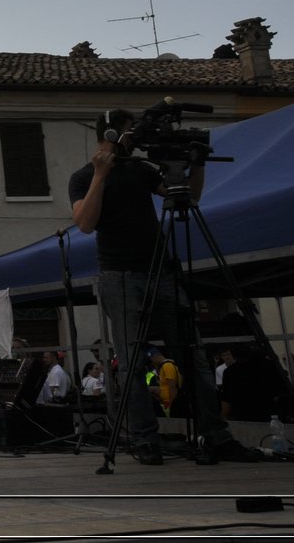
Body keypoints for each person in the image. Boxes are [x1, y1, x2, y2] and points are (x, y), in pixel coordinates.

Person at [69, 108, 255, 464]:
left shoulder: (140, 171)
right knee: (133, 363)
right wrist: (100, 174)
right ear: (109, 135)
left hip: (162, 272)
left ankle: (216, 435)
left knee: (194, 357)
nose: (134, 141)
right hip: (119, 275)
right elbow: (85, 223)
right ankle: (145, 440)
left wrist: (196, 165)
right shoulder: (82, 177)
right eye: (129, 134)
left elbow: (185, 197)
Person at [146, 347, 180, 416]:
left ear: (155, 356)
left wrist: (170, 404)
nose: (152, 362)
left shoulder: (167, 366)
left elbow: (172, 386)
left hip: (170, 402)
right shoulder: (163, 367)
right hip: (164, 400)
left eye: (151, 360)